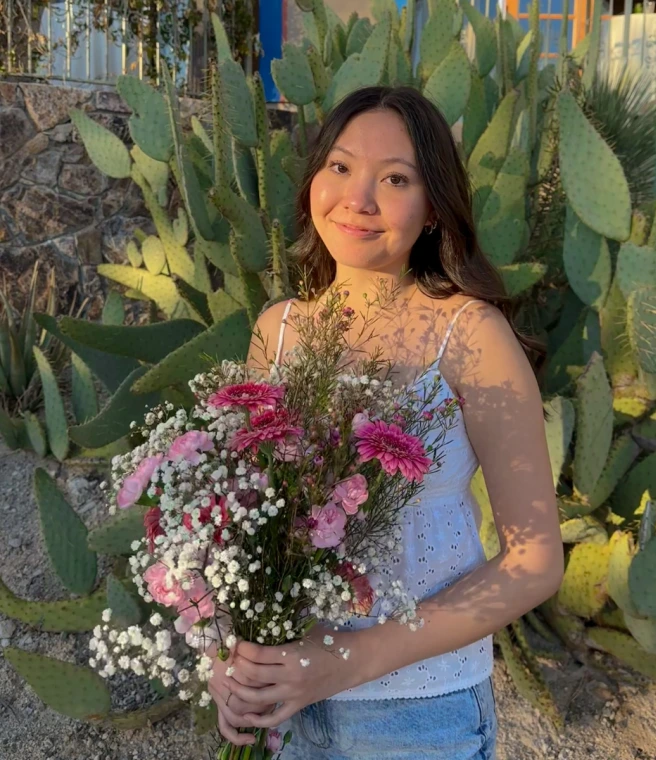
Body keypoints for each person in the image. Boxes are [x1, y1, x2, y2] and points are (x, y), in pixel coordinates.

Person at [208, 86, 564, 759]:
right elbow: (241, 525)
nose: (358, 198)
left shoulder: (469, 334)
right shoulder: (276, 333)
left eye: (394, 179)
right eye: (340, 167)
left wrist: (348, 660)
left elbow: (535, 561)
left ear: (433, 209)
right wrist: (230, 658)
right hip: (285, 706)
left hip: (418, 714)